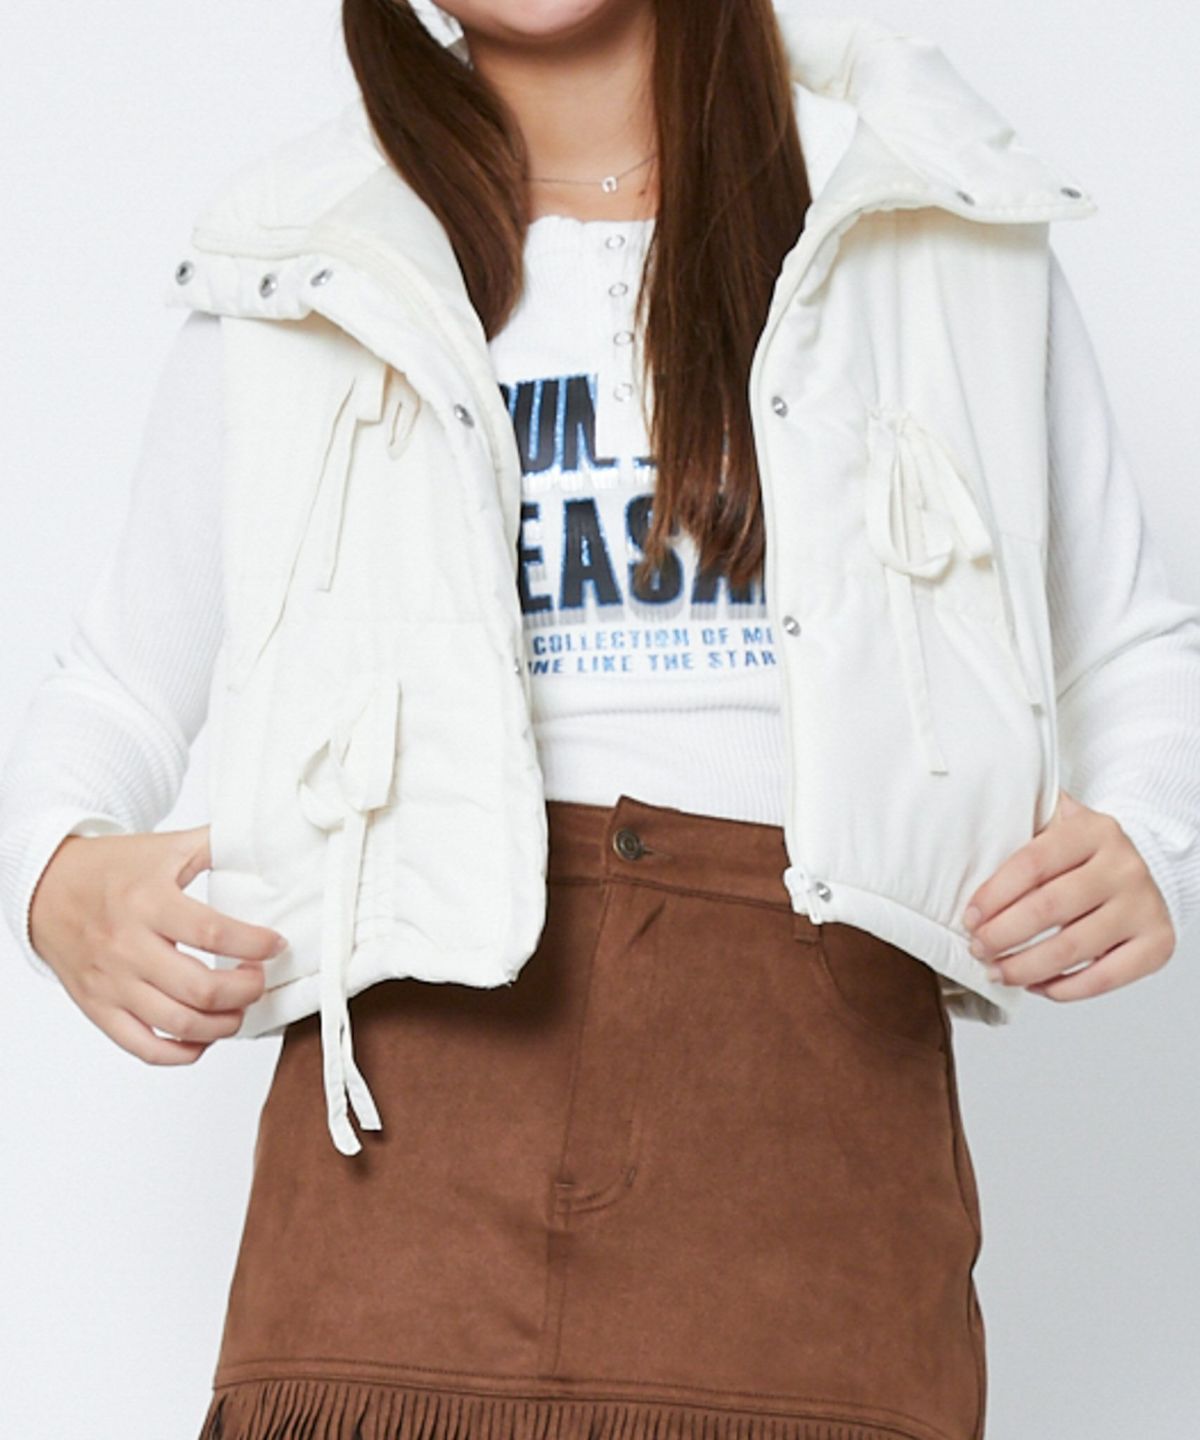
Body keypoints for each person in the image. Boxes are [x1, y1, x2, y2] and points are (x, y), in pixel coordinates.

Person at [2, 3, 1198, 1438]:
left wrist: (1146, 835)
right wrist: (55, 876)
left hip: (809, 1148)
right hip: (404, 1155)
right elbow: (118, 680)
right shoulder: (310, 254)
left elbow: (1130, 642)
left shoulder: (919, 211)